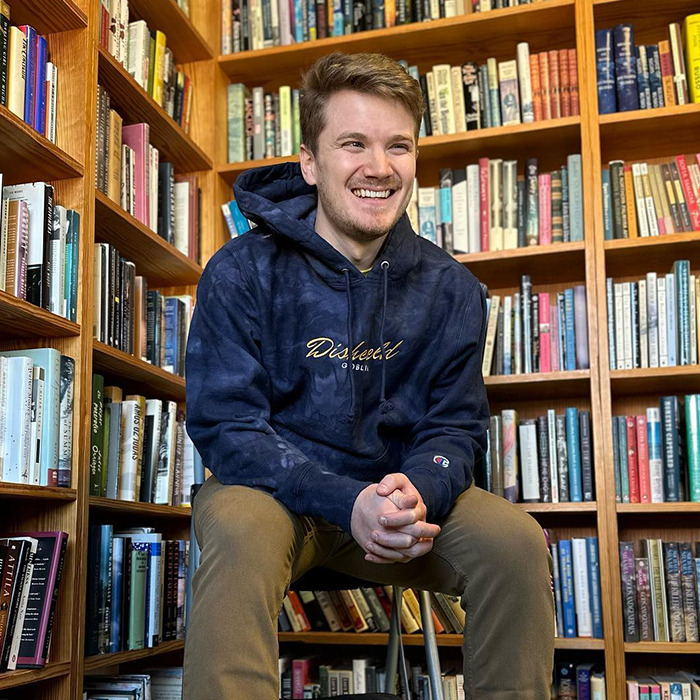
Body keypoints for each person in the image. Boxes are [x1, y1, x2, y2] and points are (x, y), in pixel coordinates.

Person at [183, 52, 554, 700]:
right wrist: (339, 501)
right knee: (237, 525)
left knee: (515, 542)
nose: (379, 168)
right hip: (277, 502)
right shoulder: (240, 271)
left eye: (398, 146)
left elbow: (456, 429)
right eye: (353, 143)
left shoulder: (452, 290)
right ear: (309, 162)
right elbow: (227, 425)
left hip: (394, 507)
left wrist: (417, 491)